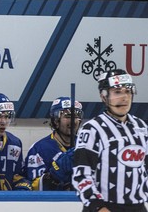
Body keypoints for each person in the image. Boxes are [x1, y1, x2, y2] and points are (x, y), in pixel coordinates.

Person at [73, 70, 148, 211]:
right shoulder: (92, 129)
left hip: (137, 206)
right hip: (104, 207)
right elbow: (81, 174)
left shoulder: (141, 127)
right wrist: (98, 206)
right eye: (117, 92)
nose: (124, 97)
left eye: (128, 91)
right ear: (103, 96)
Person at [26, 96, 82, 191]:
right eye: (67, 116)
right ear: (55, 121)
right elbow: (34, 188)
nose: (73, 121)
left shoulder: (86, 145)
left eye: (76, 116)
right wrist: (54, 175)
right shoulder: (39, 149)